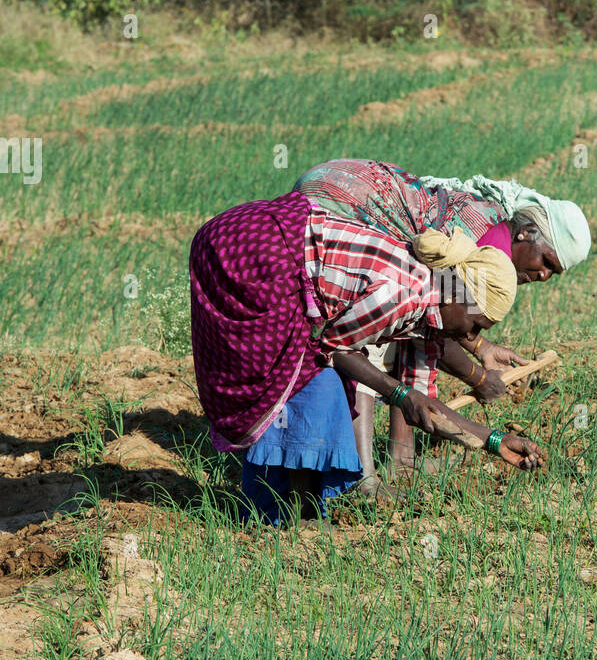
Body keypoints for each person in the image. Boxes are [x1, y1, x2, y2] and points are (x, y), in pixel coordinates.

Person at [189, 190, 542, 525]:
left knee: (314, 379)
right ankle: (284, 511)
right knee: (298, 379)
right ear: (460, 295)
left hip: (268, 245)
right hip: (249, 250)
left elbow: (426, 409)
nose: (470, 338)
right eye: (475, 324)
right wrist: (400, 394)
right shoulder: (402, 294)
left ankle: (291, 509)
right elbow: (336, 349)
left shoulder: (431, 295)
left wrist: (493, 441)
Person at [292, 159, 591, 487]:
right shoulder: (473, 240)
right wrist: (476, 376)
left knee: (405, 330)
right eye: (546, 261)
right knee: (370, 344)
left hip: (345, 190)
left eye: (554, 273)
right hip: (339, 202)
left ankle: (401, 459)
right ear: (527, 232)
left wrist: (482, 348)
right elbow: (435, 320)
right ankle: (362, 476)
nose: (544, 275)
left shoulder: (488, 247)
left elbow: (442, 316)